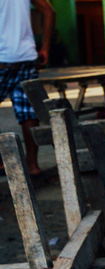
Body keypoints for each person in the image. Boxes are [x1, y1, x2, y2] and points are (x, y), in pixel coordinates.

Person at [0, 0, 55, 177]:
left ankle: (2, 163)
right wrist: (45, 47)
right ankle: (32, 165)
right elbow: (49, 11)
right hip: (26, 58)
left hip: (2, 59)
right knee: (28, 112)